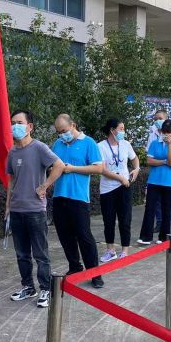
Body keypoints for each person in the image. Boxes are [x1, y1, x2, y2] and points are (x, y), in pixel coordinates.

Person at [5, 109, 65, 308]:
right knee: (22, 254)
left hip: (35, 211)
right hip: (17, 210)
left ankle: (45, 289)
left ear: (29, 126)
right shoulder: (12, 152)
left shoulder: (39, 148)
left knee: (40, 254)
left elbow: (59, 166)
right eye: (13, 123)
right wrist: (8, 206)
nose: (15, 126)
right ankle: (28, 287)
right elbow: (11, 180)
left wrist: (44, 186)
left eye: (19, 123)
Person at [51, 114, 104, 288]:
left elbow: (98, 168)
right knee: (65, 235)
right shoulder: (58, 144)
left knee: (84, 236)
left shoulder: (88, 142)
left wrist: (73, 168)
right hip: (59, 195)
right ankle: (74, 266)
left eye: (64, 130)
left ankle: (94, 273)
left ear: (73, 125)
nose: (61, 135)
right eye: (58, 132)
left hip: (79, 197)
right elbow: (52, 166)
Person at [98, 118, 140, 261]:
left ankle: (125, 251)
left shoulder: (126, 144)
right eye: (121, 129)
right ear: (112, 130)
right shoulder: (101, 146)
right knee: (108, 221)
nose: (123, 132)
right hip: (107, 189)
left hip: (125, 187)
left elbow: (134, 159)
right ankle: (110, 251)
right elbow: (102, 169)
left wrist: (137, 169)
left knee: (125, 220)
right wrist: (120, 178)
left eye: (123, 129)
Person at [138, 119, 171, 244]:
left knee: (166, 209)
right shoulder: (154, 143)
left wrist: (169, 145)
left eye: (168, 132)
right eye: (164, 132)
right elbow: (149, 161)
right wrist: (164, 162)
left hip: (169, 182)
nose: (166, 134)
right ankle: (146, 237)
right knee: (149, 208)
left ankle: (163, 237)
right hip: (154, 180)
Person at [147, 109, 171, 235]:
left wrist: (168, 147)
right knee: (157, 202)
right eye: (155, 119)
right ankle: (159, 223)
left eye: (160, 118)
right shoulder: (153, 134)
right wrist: (163, 161)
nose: (157, 121)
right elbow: (149, 157)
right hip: (157, 175)